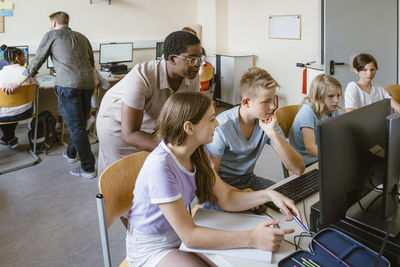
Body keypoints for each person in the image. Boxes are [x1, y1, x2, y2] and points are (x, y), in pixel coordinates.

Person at [126, 91, 300, 267]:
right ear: (189, 127)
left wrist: (270, 195)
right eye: (211, 119)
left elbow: (227, 199)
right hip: (153, 247)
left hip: (180, 233)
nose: (217, 123)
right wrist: (252, 238)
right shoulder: (160, 167)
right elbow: (191, 237)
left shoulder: (198, 153)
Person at [3, 11, 97, 178]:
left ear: (53, 23)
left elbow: (36, 62)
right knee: (80, 123)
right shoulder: (82, 37)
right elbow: (91, 63)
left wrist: (16, 83)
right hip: (88, 83)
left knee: (76, 127)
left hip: (69, 86)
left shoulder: (51, 35)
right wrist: (95, 82)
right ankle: (70, 153)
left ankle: (88, 168)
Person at [96, 31, 202, 175]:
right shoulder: (142, 76)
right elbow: (130, 133)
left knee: (153, 171)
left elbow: (186, 116)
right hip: (117, 125)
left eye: (199, 58)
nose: (197, 65)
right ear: (171, 59)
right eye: (192, 59)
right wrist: (175, 150)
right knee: (122, 175)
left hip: (150, 123)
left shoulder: (191, 76)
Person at [206, 67, 305, 195]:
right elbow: (211, 181)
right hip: (220, 186)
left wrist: (272, 133)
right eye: (266, 101)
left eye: (273, 99)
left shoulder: (267, 121)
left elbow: (298, 168)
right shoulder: (221, 128)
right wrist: (244, 195)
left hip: (248, 180)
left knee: (287, 197)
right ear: (246, 102)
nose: (273, 106)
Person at [289, 74, 342, 166]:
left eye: (338, 95)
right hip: (308, 162)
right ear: (319, 96)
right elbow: (310, 148)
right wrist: (335, 159)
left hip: (322, 155)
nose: (336, 100)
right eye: (331, 96)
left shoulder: (331, 110)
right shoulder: (307, 113)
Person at [0, 45, 36, 148]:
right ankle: (9, 138)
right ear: (17, 58)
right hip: (25, 112)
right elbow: (36, 85)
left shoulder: (1, 73)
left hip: (3, 116)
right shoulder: (27, 72)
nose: (25, 59)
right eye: (23, 56)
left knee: (6, 111)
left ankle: (9, 138)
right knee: (14, 109)